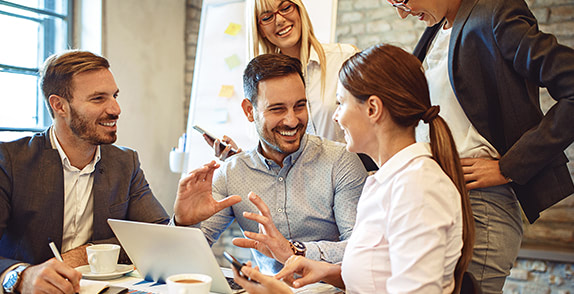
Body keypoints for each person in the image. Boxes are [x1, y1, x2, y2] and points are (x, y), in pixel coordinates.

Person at [231, 44, 475, 294]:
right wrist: (330, 272)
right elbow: (380, 274)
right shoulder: (385, 182)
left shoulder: (419, 188)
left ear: (372, 109)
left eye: (340, 103)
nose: (335, 117)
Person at [386, 0, 574, 291]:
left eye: (401, 0)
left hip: (479, 209)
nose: (400, 12)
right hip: (437, 203)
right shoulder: (437, 30)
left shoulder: (496, 13)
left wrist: (509, 166)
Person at [173, 53, 368, 274]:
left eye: (299, 106)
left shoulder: (340, 161)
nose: (292, 120)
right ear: (249, 110)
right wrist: (183, 224)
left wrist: (296, 251)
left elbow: (362, 249)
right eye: (277, 109)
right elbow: (179, 262)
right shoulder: (231, 173)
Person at [0, 50, 170, 294]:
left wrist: (85, 253)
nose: (115, 109)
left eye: (114, 95)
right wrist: (20, 276)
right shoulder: (10, 161)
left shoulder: (125, 162)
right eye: (98, 98)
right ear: (59, 105)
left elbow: (156, 238)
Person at [207, 0, 376, 170]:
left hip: (351, 179)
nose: (279, 20)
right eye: (267, 17)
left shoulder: (344, 58)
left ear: (299, 10)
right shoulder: (264, 84)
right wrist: (241, 160)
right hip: (302, 189)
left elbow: (376, 124)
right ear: (260, 30)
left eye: (286, 8)